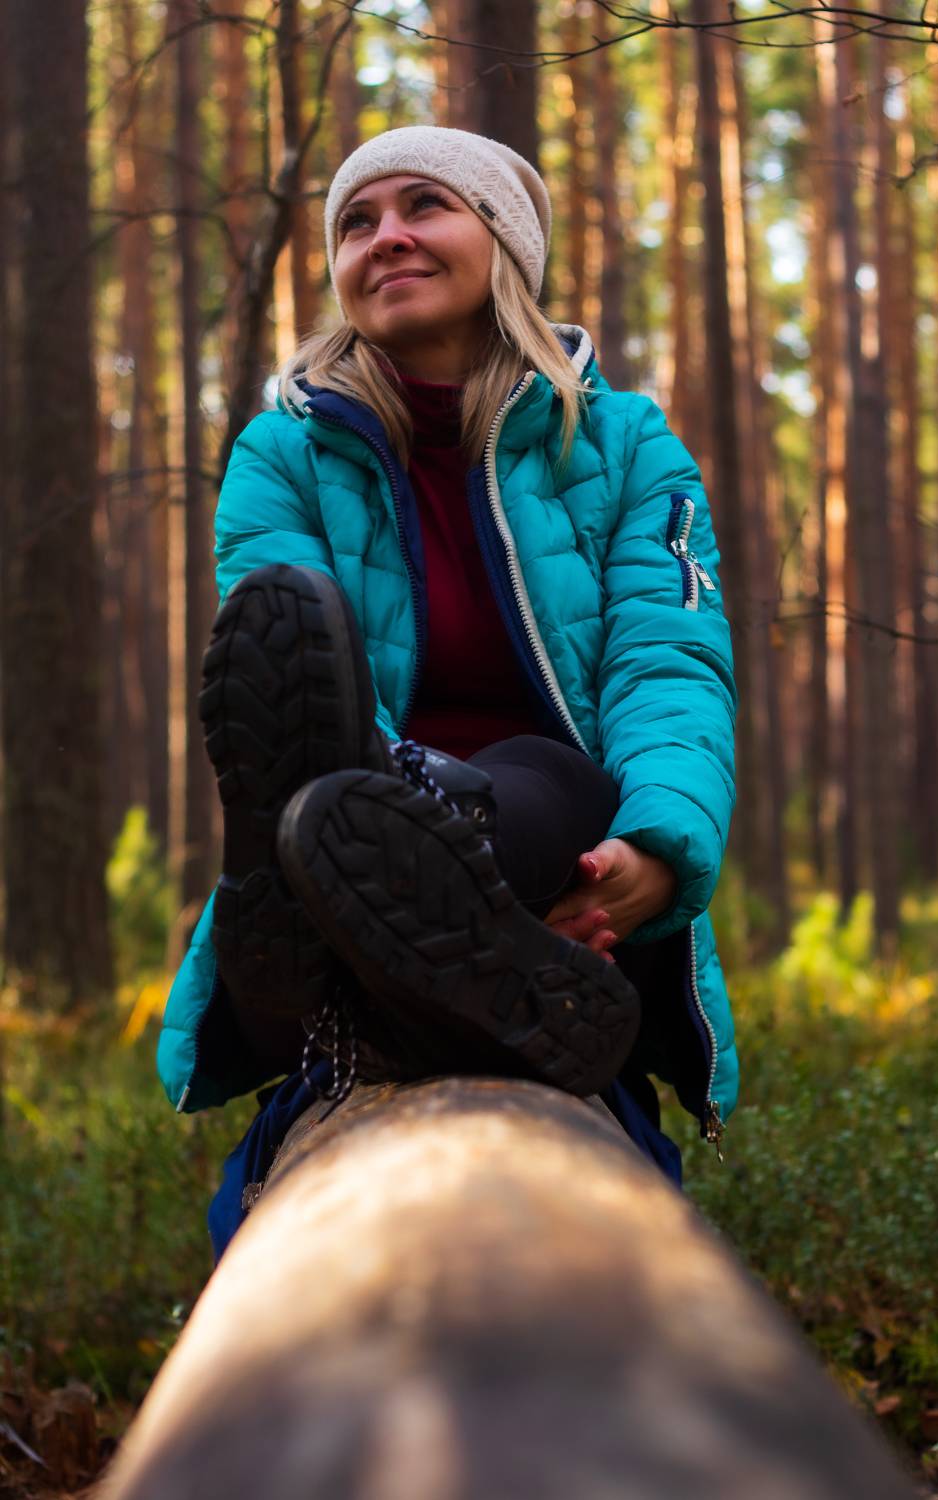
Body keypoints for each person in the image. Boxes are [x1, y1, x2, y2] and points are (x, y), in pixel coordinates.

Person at [157, 127, 739, 1259]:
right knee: (317, 722)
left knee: (540, 770)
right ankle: (370, 868)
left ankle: (411, 849)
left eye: (424, 205)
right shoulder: (281, 456)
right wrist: (366, 801)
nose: (386, 237)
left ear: (504, 242)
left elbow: (670, 665)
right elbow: (301, 687)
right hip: (340, 821)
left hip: (566, 860)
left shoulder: (626, 446)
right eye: (356, 223)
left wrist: (659, 852)